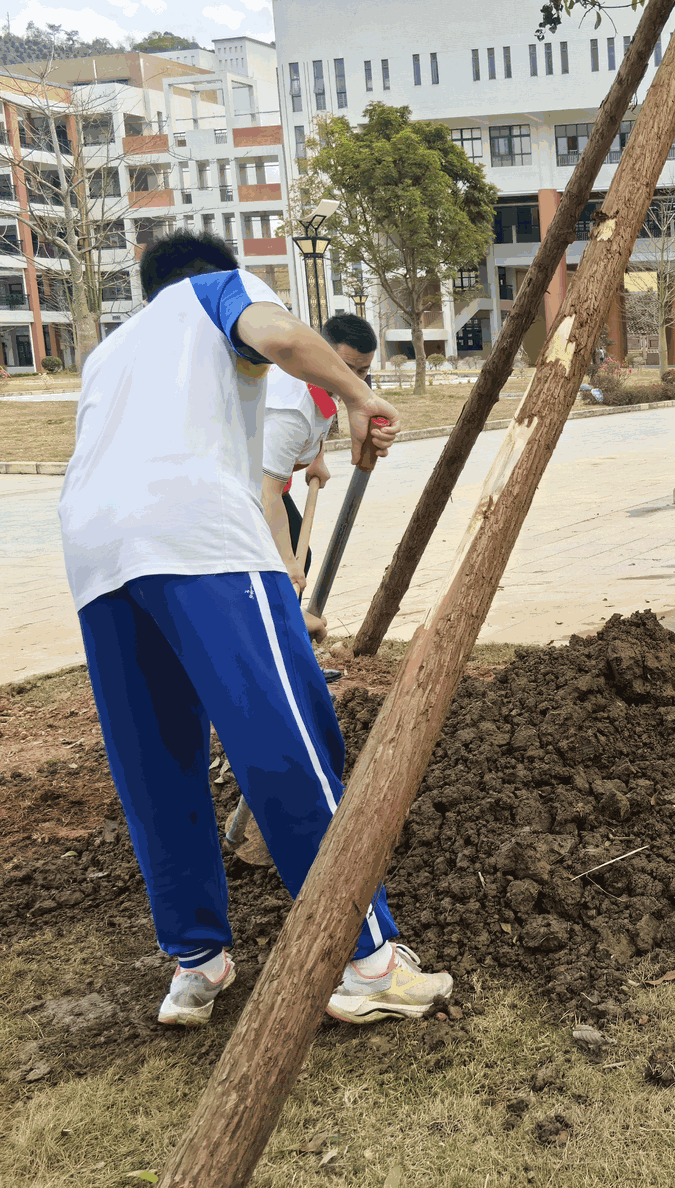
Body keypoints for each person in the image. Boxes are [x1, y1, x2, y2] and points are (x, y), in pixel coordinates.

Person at [58, 230, 451, 1027]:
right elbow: (275, 336)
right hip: (198, 536)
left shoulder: (112, 350)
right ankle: (368, 957)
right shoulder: (217, 292)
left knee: (155, 764)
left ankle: (197, 964)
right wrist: (359, 395)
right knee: (288, 741)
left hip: (93, 550)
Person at [262, 313, 378, 634]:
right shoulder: (291, 409)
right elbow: (264, 492)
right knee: (279, 567)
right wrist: (286, 562)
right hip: (238, 491)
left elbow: (321, 416)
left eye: (363, 370)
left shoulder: (322, 384)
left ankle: (288, 635)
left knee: (301, 553)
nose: (354, 379)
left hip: (264, 482)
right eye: (346, 367)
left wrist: (316, 458)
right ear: (323, 354)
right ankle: (283, 636)